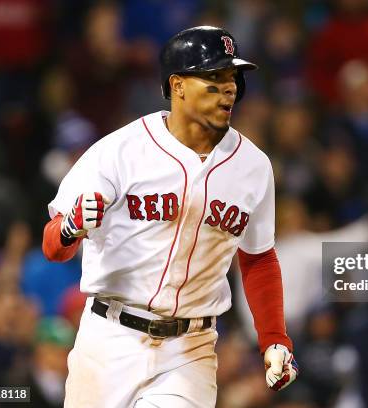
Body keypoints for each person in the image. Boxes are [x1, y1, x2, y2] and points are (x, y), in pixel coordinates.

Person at [42, 26, 298, 407]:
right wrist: (69, 228)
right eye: (214, 78)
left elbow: (258, 257)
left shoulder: (253, 166)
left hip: (189, 348)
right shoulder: (120, 151)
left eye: (232, 77)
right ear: (177, 85)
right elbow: (53, 246)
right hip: (110, 339)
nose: (229, 88)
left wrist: (275, 338)